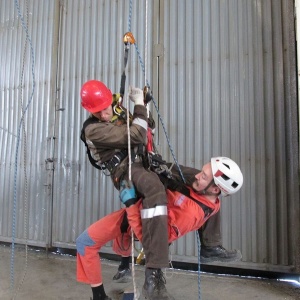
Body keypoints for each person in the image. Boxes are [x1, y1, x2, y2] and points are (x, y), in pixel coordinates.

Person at [76, 157, 243, 300]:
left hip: (133, 222)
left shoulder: (189, 214)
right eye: (202, 172)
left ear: (215, 189)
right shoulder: (211, 200)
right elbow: (191, 178)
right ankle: (124, 266)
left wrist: (131, 205)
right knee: (121, 244)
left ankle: (99, 296)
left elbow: (152, 241)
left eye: (204, 177)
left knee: (84, 243)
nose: (198, 176)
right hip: (140, 213)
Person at [79, 80, 171, 300]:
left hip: (146, 164)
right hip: (126, 172)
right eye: (98, 112)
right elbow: (136, 135)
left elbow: (147, 130)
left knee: (190, 180)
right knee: (144, 203)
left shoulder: (118, 111)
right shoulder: (93, 129)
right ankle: (151, 270)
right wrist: (138, 105)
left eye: (106, 108)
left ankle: (210, 244)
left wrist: (144, 106)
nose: (104, 114)